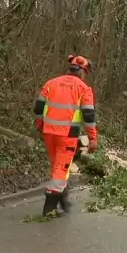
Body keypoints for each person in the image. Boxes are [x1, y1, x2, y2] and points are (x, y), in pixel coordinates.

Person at [33, 55, 98, 216]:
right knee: (61, 170)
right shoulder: (83, 89)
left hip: (49, 133)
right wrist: (92, 138)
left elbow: (38, 108)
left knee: (57, 166)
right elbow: (89, 116)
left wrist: (40, 125)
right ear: (82, 71)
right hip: (67, 135)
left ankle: (63, 201)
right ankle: (49, 208)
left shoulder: (51, 83)